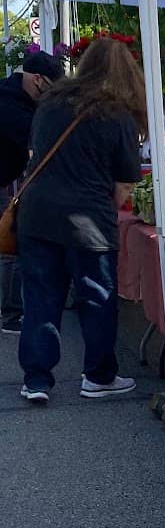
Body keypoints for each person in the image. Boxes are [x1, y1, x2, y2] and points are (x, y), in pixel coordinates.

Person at [16, 36, 144, 404]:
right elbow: (124, 186)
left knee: (41, 298)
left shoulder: (51, 101)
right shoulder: (117, 114)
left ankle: (37, 380)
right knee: (97, 297)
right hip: (88, 221)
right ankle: (99, 376)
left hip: (38, 214)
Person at [0, 48, 67, 334]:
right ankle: (11, 313)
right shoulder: (9, 103)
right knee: (9, 244)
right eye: (51, 89)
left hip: (7, 176)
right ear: (38, 79)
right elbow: (36, 139)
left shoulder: (16, 96)